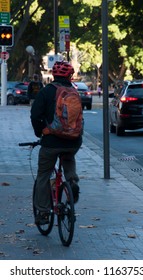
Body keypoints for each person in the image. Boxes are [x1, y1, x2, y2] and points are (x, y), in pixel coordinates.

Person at [30, 61, 82, 225]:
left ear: (53, 75)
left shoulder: (46, 92)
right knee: (68, 156)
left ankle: (44, 213)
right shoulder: (74, 92)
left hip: (51, 141)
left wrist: (41, 132)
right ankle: (72, 181)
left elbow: (35, 115)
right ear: (70, 76)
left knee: (43, 176)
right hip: (73, 141)